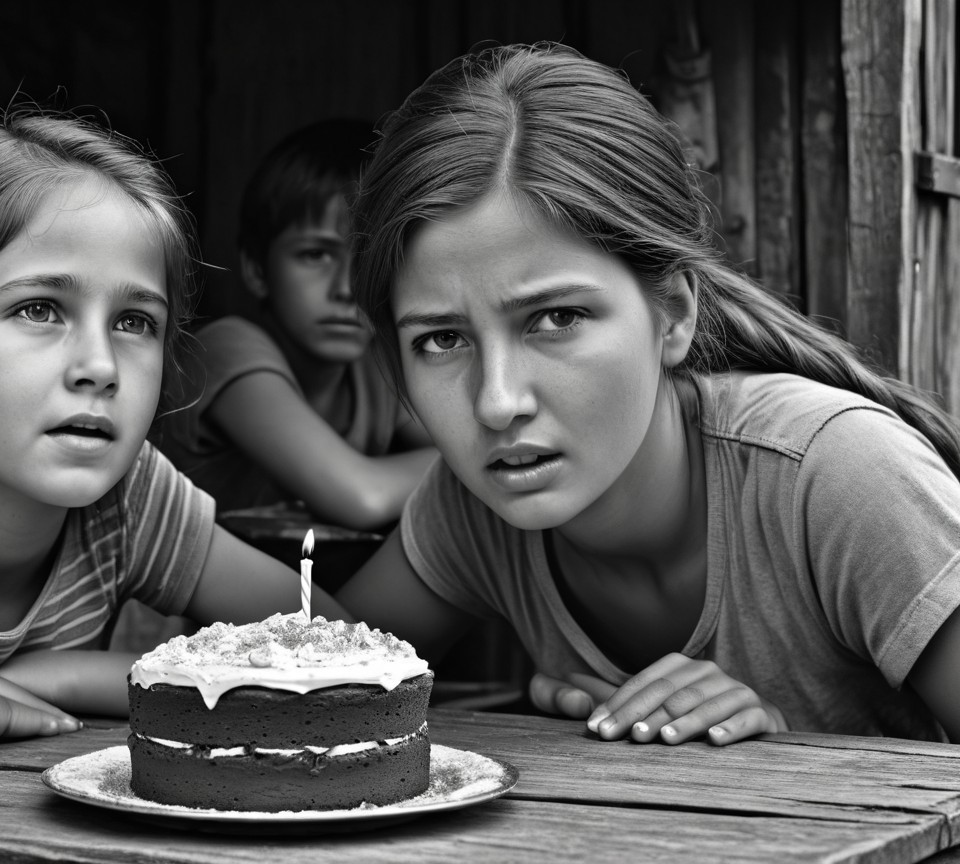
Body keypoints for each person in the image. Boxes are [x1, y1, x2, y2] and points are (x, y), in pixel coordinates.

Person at [336, 42, 960, 745]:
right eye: (442, 340)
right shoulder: (475, 509)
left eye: (557, 318)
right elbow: (313, 680)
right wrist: (185, 536)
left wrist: (789, 750)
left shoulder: (837, 475)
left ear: (672, 314)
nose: (496, 402)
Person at [0, 107, 346, 779]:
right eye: (40, 309)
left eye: (133, 320)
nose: (101, 364)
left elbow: (331, 648)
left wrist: (67, 679)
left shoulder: (130, 502)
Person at [156, 119, 436, 530]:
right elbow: (364, 496)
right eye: (316, 254)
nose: (347, 288)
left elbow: (470, 440)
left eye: (369, 260)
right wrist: (479, 463)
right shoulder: (225, 350)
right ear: (256, 270)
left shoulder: (376, 368)